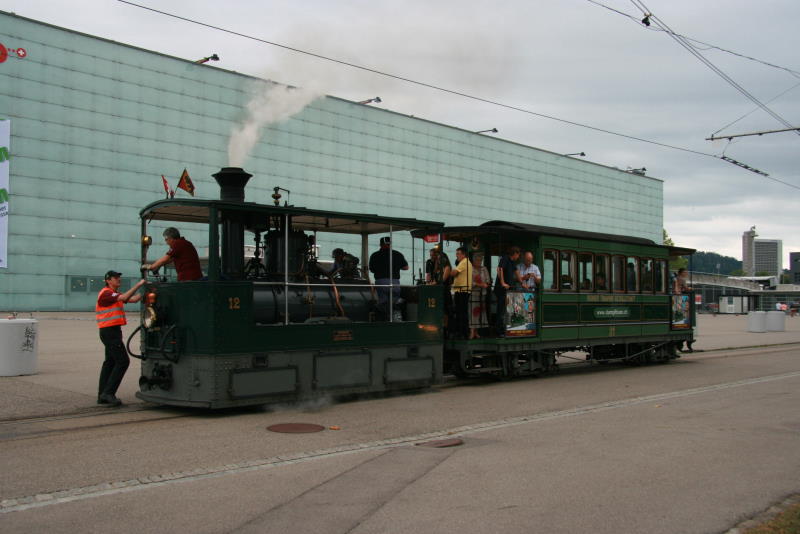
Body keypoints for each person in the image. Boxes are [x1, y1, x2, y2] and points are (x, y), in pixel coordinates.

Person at [96, 271, 146, 406]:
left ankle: (102, 395)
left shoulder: (113, 294)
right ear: (108, 280)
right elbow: (124, 297)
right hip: (109, 332)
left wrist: (147, 292)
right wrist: (139, 284)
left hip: (112, 331)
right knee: (123, 361)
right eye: (115, 278)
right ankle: (108, 393)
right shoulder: (106, 293)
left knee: (110, 362)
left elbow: (133, 299)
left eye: (119, 277)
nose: (119, 280)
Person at [368, 236, 409, 317]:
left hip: (381, 281)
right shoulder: (398, 254)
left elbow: (372, 270)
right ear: (390, 244)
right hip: (394, 282)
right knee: (394, 301)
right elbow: (406, 267)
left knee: (383, 301)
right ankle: (393, 316)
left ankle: (382, 317)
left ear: (380, 244)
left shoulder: (375, 255)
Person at [494, 246, 521, 337]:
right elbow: (499, 269)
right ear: (515, 254)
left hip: (508, 290)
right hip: (501, 290)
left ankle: (506, 329)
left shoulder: (512, 262)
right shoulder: (505, 258)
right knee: (501, 310)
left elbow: (516, 272)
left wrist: (522, 282)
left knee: (506, 310)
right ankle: (498, 330)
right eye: (518, 255)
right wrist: (502, 282)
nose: (518, 257)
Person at [449, 247, 473, 339]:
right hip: (461, 290)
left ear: (463, 254)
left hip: (462, 290)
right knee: (461, 312)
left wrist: (448, 270)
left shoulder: (464, 262)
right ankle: (462, 332)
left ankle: (462, 332)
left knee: (461, 312)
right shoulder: (465, 262)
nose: (456, 255)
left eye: (458, 253)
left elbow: (454, 273)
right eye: (456, 253)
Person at [469, 254, 490, 339]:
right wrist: (480, 284)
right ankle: (472, 331)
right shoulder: (471, 269)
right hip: (473, 293)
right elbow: (470, 282)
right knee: (473, 312)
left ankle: (476, 332)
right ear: (474, 261)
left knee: (480, 313)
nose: (479, 262)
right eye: (477, 260)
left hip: (482, 294)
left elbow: (488, 280)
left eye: (480, 260)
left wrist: (486, 284)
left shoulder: (484, 269)